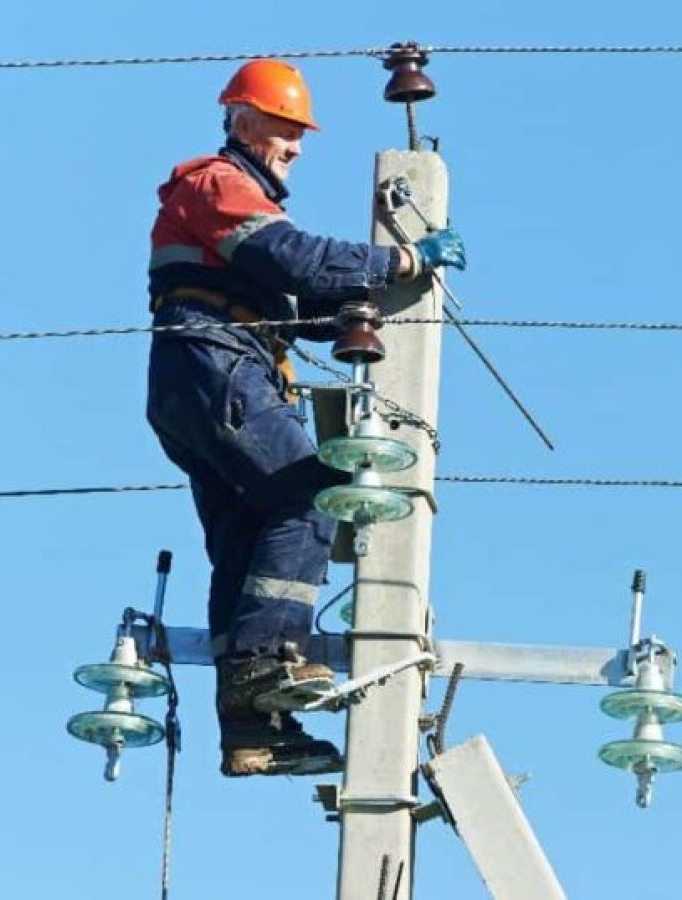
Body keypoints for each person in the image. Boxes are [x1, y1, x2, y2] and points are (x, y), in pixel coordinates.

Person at [145, 59, 465, 777]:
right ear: (243, 119)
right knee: (310, 493)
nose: (296, 146)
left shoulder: (228, 204)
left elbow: (296, 297)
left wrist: (356, 301)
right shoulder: (216, 182)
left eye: (300, 134)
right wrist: (404, 259)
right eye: (287, 129)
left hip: (202, 372)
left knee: (247, 537)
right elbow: (294, 261)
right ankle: (265, 665)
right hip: (216, 363)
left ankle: (251, 729)